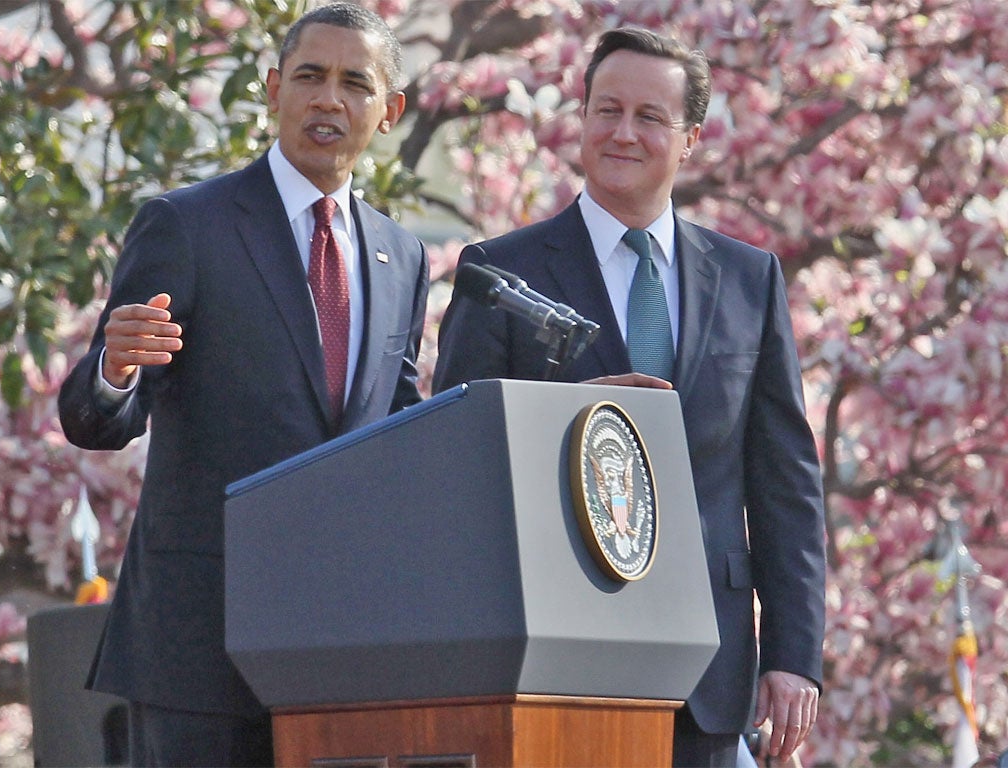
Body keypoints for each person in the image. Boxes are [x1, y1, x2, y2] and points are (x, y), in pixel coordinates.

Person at [433, 27, 826, 768]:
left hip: (709, 671)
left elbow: (787, 485)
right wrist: (565, 420)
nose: (623, 132)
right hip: (549, 664)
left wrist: (794, 654)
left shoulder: (749, 280)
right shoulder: (499, 273)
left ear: (692, 139)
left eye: (650, 117)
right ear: (579, 119)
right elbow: (448, 459)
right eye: (606, 110)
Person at [58, 4, 429, 766]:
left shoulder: (404, 256)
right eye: (309, 77)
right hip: (201, 645)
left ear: (388, 111)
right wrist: (115, 368)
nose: (328, 99)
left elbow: (401, 424)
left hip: (342, 646)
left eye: (354, 83)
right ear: (271, 90)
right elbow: (95, 420)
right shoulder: (187, 225)